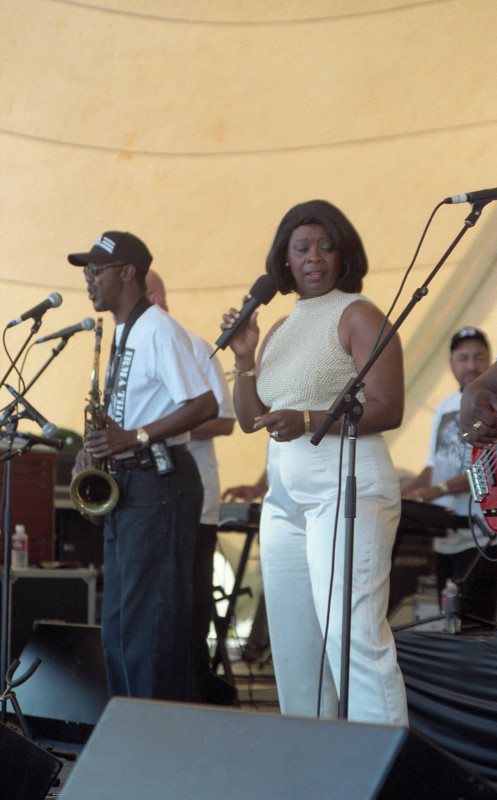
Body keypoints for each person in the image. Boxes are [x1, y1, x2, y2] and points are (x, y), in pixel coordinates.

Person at [219, 199, 408, 725]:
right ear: (284, 258)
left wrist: (308, 420)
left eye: (326, 246)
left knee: (354, 639)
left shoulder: (360, 314)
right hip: (284, 496)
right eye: (301, 247)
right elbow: (252, 418)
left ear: (344, 255)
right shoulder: (278, 327)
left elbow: (387, 407)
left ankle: (387, 773)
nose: (314, 257)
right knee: (296, 651)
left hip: (346, 484)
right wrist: (243, 359)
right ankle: (311, 773)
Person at [68, 230, 218, 702]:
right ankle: (129, 736)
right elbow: (133, 410)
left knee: (147, 627)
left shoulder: (158, 329)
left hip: (158, 482)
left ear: (128, 272)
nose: (88, 280)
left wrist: (134, 437)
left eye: (96, 270)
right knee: (118, 627)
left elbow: (205, 403)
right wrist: (91, 450)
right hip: (132, 481)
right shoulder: (125, 331)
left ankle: (154, 748)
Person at [145, 269, 236, 702]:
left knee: (192, 601)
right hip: (147, 498)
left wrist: (160, 429)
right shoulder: (135, 348)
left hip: (193, 499)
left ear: (155, 297)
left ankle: (195, 693)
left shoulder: (197, 348)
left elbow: (223, 420)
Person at [401, 328, 497, 621]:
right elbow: (435, 465)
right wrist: (404, 493)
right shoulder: (444, 406)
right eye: (463, 358)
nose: (471, 365)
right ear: (451, 363)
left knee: (474, 627)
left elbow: (491, 469)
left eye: (479, 357)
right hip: (444, 536)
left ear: (491, 361)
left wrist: (438, 490)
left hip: (480, 536)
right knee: (450, 623)